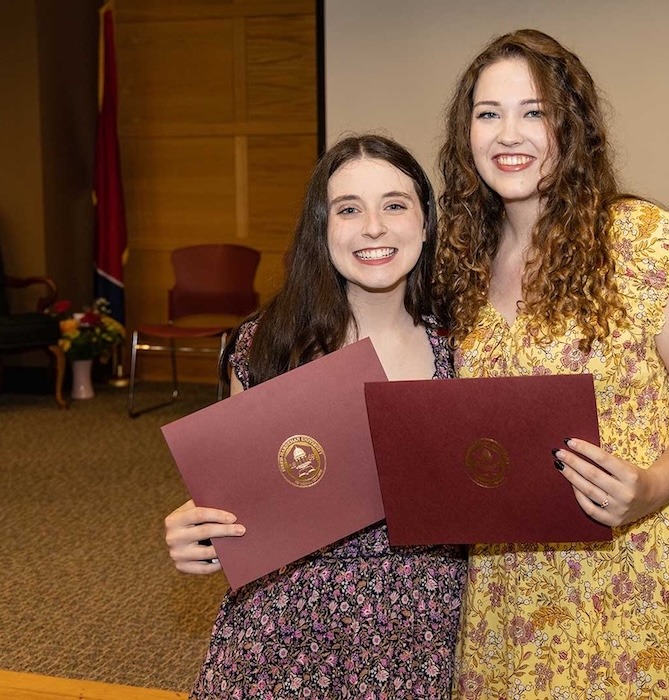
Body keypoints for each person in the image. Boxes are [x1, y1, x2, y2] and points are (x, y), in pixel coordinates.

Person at [435, 30, 669, 699]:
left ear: (570, 125)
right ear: (466, 134)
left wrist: (653, 487)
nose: (508, 134)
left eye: (533, 111)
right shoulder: (460, 262)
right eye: (488, 113)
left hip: (635, 575)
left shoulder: (647, 242)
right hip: (506, 592)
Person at [163, 135, 465, 699]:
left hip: (424, 633)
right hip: (284, 632)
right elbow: (237, 493)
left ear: (426, 224)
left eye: (395, 204)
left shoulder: (466, 347)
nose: (373, 227)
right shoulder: (267, 344)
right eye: (349, 209)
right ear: (321, 230)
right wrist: (197, 532)